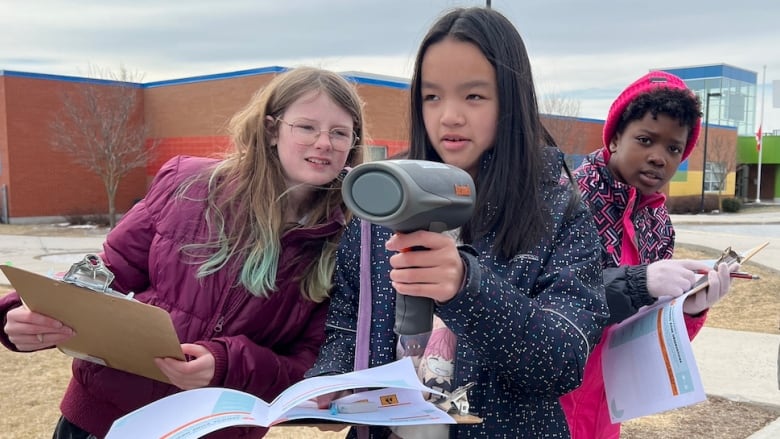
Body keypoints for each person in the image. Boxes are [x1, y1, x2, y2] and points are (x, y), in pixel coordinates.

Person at [0, 66, 366, 439]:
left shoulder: (348, 243)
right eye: (306, 127)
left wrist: (227, 365)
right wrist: (23, 311)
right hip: (100, 419)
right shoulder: (186, 184)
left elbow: (314, 368)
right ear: (272, 129)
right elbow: (102, 273)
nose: (324, 142)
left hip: (213, 429)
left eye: (339, 132)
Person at [307, 7, 609, 438]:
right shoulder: (381, 200)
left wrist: (468, 286)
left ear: (511, 99)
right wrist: (328, 383)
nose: (449, 115)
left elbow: (563, 361)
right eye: (432, 96)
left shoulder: (557, 211)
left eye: (473, 96)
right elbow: (347, 326)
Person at [560, 70, 739, 438]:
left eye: (674, 148)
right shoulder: (565, 202)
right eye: (645, 140)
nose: (659, 158)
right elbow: (547, 305)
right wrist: (638, 283)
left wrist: (688, 307)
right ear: (614, 140)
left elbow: (647, 331)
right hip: (549, 403)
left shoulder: (657, 222)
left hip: (609, 404)